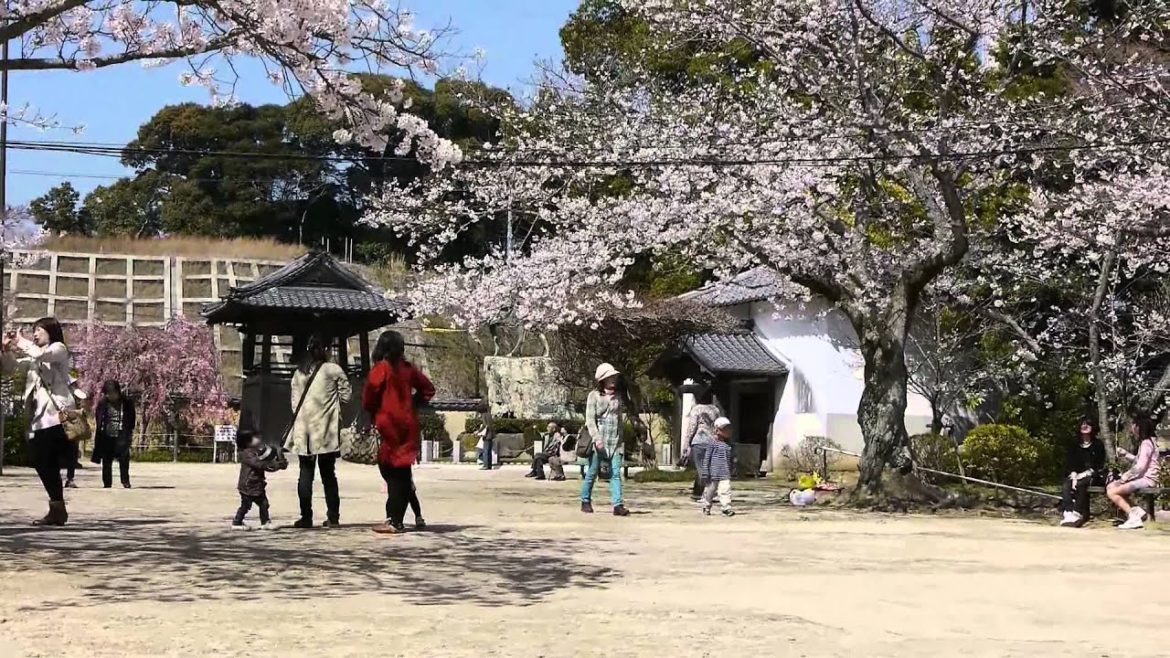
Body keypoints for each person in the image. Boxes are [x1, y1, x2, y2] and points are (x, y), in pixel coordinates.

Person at [1, 317, 78, 526]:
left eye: (38, 331)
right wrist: (6, 350)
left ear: (50, 331)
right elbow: (11, 369)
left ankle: (58, 507)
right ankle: (57, 508)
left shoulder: (58, 348)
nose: (34, 335)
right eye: (33, 331)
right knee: (40, 459)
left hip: (57, 413)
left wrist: (21, 341)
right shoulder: (34, 357)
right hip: (38, 416)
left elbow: (42, 353)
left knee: (47, 455)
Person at [363, 331, 435, 534]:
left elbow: (369, 398)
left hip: (388, 425)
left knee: (391, 473)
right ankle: (396, 518)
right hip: (408, 425)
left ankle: (394, 520)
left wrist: (373, 411)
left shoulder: (381, 369)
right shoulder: (408, 369)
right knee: (402, 474)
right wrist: (413, 403)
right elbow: (428, 389)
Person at [285, 334, 352, 529]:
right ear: (326, 349)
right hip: (326, 430)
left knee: (305, 474)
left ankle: (306, 516)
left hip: (303, 431)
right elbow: (347, 396)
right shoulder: (333, 370)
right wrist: (332, 406)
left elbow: (294, 404)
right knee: (328, 475)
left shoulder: (299, 372)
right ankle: (333, 517)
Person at [581, 363, 629, 516]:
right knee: (592, 472)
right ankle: (585, 500)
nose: (613, 379)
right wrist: (596, 438)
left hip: (614, 441)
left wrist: (621, 441)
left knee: (615, 473)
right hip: (599, 441)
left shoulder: (618, 397)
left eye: (614, 376)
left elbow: (619, 420)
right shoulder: (593, 396)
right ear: (602, 379)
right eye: (609, 377)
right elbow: (590, 420)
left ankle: (618, 504)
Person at [1108, 415, 1162, 530]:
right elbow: (1140, 460)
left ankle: (1133, 517)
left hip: (1147, 480)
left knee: (1112, 492)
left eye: (1134, 425)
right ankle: (1137, 511)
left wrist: (1125, 477)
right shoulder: (1148, 442)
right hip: (1144, 479)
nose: (1132, 428)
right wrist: (1126, 454)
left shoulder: (1146, 443)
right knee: (1111, 486)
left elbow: (1140, 467)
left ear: (1139, 427)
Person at [232, 429, 288, 530]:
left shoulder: (257, 451)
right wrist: (276, 465)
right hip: (247, 485)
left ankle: (265, 522)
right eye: (255, 438)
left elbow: (268, 461)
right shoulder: (247, 454)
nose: (259, 439)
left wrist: (279, 458)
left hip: (257, 484)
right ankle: (237, 522)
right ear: (247, 442)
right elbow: (260, 464)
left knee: (264, 503)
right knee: (245, 506)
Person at [1058, 417, 1106, 527]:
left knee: (1082, 484)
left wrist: (1083, 475)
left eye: (1087, 424)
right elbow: (1071, 463)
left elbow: (1099, 464)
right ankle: (1068, 512)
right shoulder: (1074, 444)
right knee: (1066, 484)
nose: (1084, 426)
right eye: (1082, 424)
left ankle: (1077, 512)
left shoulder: (1098, 444)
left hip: (1092, 475)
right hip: (1075, 474)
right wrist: (1075, 476)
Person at [92, 380, 136, 489]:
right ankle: (107, 482)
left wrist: (129, 431)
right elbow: (98, 418)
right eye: (108, 393)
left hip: (122, 433)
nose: (110, 396)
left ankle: (125, 480)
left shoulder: (127, 402)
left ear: (118, 392)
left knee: (124, 459)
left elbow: (132, 418)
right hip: (107, 434)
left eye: (112, 393)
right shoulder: (102, 403)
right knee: (106, 460)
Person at [682, 388, 721, 501]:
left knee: (701, 469)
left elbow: (692, 427)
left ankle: (705, 493)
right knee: (709, 467)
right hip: (712, 441)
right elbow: (718, 426)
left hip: (699, 441)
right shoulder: (715, 410)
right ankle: (708, 491)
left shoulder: (696, 409)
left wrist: (686, 443)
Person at [701, 417, 736, 517]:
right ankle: (706, 505)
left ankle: (726, 508)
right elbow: (707, 457)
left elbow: (731, 458)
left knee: (725, 490)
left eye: (728, 429)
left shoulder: (729, 445)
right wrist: (705, 471)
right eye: (724, 429)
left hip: (725, 473)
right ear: (717, 430)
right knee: (710, 491)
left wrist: (734, 466)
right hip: (713, 473)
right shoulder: (712, 443)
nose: (727, 431)